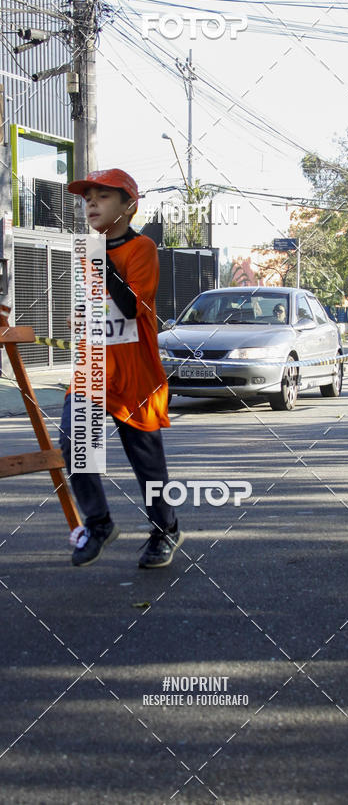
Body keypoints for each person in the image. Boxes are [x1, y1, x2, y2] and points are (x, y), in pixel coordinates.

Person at [59, 169, 184, 569]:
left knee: (146, 464)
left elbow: (131, 306)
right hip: (94, 365)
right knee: (74, 442)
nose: (91, 203)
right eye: (87, 197)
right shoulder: (88, 251)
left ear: (128, 207)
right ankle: (99, 524)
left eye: (102, 197)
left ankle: (165, 529)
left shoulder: (142, 248)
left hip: (134, 370)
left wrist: (99, 258)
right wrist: (79, 317)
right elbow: (95, 306)